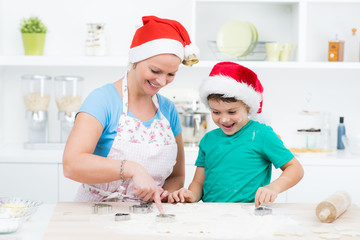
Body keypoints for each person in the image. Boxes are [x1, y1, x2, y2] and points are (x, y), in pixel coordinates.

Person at [62, 16, 199, 213]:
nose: (162, 81)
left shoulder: (168, 110)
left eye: (171, 74)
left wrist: (166, 194)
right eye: (155, 70)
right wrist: (132, 169)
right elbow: (71, 164)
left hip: (149, 219)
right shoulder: (103, 100)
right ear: (135, 59)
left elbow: (176, 177)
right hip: (97, 215)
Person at [168, 62, 304, 207]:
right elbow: (198, 182)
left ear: (248, 106)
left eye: (232, 112)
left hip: (248, 215)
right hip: (210, 214)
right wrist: (191, 195)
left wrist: (273, 188)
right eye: (216, 112)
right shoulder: (208, 140)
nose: (224, 119)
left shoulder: (261, 134)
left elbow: (295, 169)